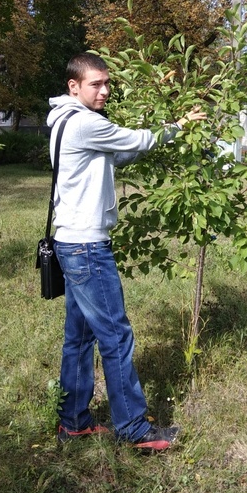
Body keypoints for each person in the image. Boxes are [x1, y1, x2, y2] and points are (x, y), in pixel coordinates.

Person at [47, 52, 206, 452]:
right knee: (116, 336)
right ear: (74, 86)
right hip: (86, 246)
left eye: (106, 83)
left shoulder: (65, 121)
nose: (104, 91)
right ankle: (134, 428)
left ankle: (74, 421)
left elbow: (121, 152)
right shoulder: (84, 123)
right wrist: (178, 126)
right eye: (95, 84)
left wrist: (150, 140)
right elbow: (137, 139)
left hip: (70, 241)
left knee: (79, 338)